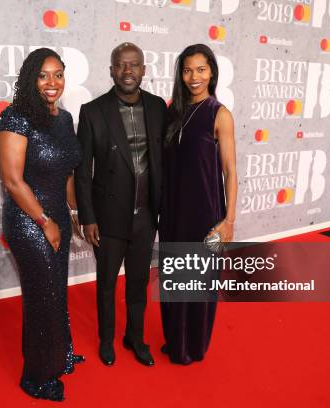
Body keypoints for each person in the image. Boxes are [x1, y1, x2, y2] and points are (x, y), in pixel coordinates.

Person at [0, 48, 84, 401]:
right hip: (29, 219)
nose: (52, 83)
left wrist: (74, 214)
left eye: (58, 74)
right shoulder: (15, 118)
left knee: (56, 292)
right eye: (44, 75)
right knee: (40, 298)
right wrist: (44, 220)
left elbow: (66, 173)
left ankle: (58, 356)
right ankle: (35, 377)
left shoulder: (64, 120)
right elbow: (13, 180)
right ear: (31, 79)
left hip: (57, 216)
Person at [74, 43, 167, 367]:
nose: (128, 71)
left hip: (146, 216)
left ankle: (135, 338)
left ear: (144, 70)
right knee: (106, 285)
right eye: (121, 65)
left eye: (134, 65)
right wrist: (87, 217)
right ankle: (106, 340)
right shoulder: (93, 111)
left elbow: (165, 160)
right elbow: (83, 172)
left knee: (139, 283)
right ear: (111, 70)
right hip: (109, 217)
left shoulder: (158, 108)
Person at [159, 44, 238, 364]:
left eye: (201, 69)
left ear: (212, 73)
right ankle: (176, 342)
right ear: (180, 73)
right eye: (187, 70)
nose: (194, 77)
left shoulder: (219, 113)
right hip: (173, 210)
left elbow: (231, 171)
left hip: (205, 212)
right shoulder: (172, 112)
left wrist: (229, 220)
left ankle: (194, 346)